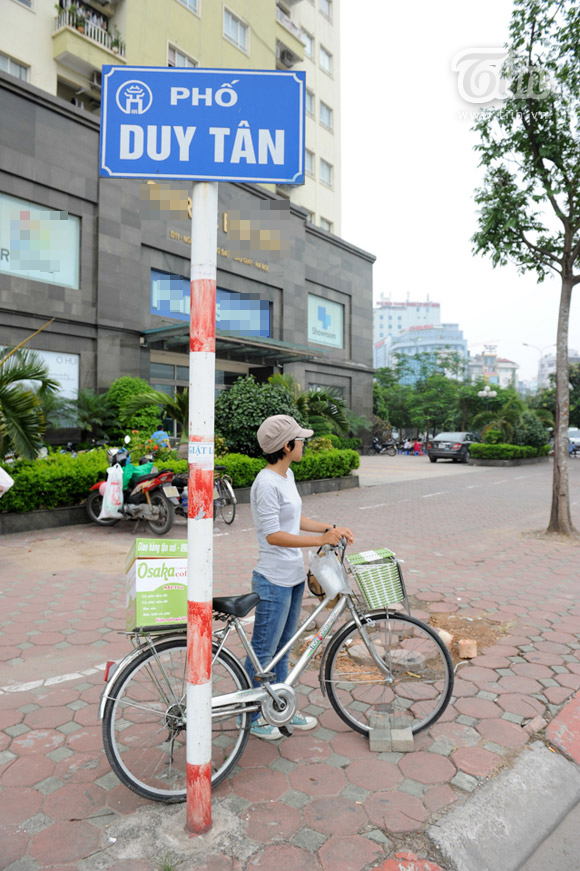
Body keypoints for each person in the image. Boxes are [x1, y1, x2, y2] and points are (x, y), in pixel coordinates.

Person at [246, 414, 355, 740]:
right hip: (272, 579)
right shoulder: (265, 483)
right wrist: (321, 540)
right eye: (300, 439)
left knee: (283, 647)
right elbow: (274, 535)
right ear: (286, 445)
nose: (303, 442)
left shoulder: (286, 475)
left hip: (293, 577)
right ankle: (255, 717)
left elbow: (294, 518)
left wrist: (327, 528)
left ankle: (281, 709)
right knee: (264, 651)